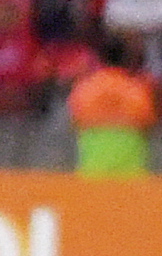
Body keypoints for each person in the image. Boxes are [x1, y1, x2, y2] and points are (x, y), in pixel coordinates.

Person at [65, 39, 156, 177]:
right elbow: (148, 124)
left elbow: (74, 121)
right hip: (131, 177)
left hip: (92, 174)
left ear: (100, 58)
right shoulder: (137, 89)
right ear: (127, 59)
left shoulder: (85, 88)